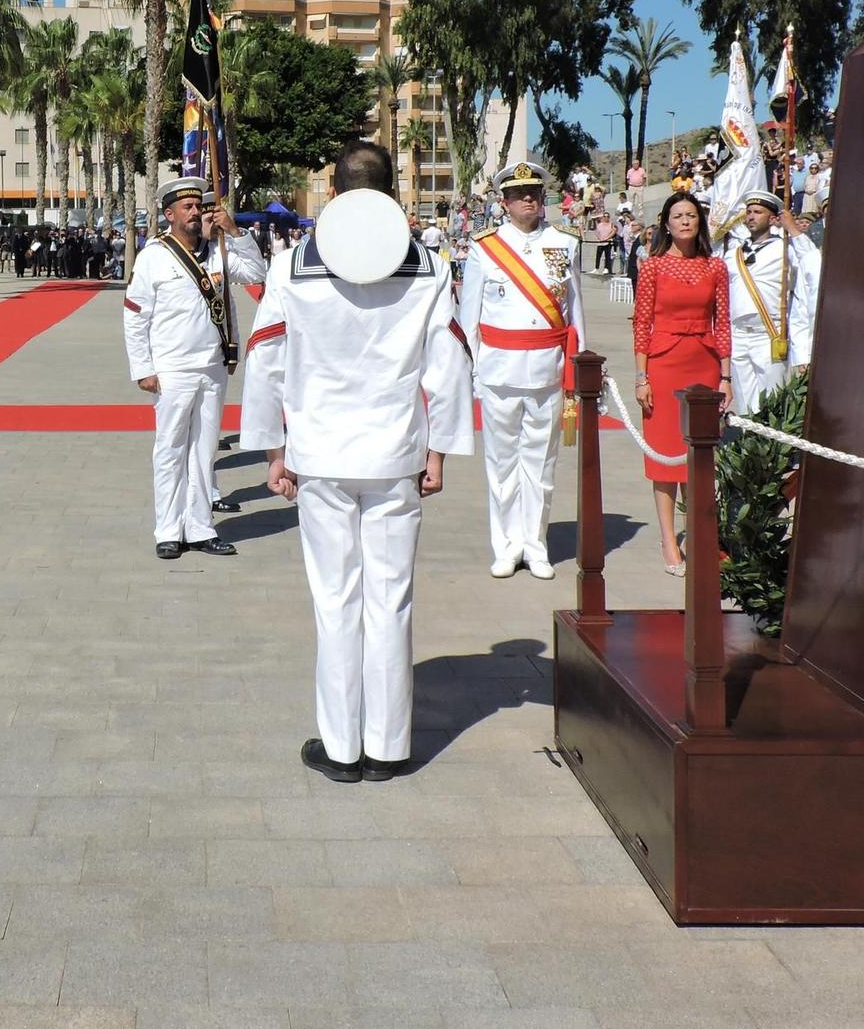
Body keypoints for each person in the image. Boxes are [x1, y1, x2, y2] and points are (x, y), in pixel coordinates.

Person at [241, 140, 475, 784]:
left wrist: (272, 449)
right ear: (392, 194)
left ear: (335, 195)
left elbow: (264, 360)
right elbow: (450, 365)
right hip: (396, 452)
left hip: (320, 455)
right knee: (391, 599)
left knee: (335, 600)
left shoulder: (293, 265)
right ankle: (389, 746)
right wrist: (439, 452)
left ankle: (341, 748)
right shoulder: (427, 266)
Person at [122, 176, 266, 560]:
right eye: (187, 207)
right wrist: (143, 368)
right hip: (172, 369)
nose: (196, 211)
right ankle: (168, 530)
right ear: (169, 214)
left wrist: (235, 232)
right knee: (170, 449)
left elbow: (256, 274)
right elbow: (135, 317)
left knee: (203, 452)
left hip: (212, 366)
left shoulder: (218, 250)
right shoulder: (154, 256)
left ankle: (201, 527)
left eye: (198, 206)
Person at [456, 161, 585, 580]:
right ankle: (507, 545)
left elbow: (575, 313)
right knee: (501, 465)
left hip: (548, 370)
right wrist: (472, 373)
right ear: (504, 201)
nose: (528, 198)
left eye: (534, 191)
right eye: (518, 193)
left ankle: (536, 543)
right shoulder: (484, 247)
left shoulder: (564, 242)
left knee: (541, 465)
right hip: (498, 370)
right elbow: (469, 318)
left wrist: (578, 367)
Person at [633, 192, 733, 574]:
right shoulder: (654, 267)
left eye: (692, 215)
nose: (686, 221)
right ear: (667, 223)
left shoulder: (715, 267)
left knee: (699, 458)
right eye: (678, 216)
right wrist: (641, 376)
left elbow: (722, 322)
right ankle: (668, 540)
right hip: (663, 363)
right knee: (664, 459)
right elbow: (641, 324)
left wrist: (725, 375)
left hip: (704, 364)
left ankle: (698, 536)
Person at [725, 192, 817, 412]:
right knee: (745, 403)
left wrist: (793, 229)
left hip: (768, 334)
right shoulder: (733, 253)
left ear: (773, 219)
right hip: (738, 334)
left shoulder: (786, 248)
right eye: (748, 212)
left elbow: (812, 265)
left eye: (758, 212)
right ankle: (750, 443)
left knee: (772, 403)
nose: (751, 217)